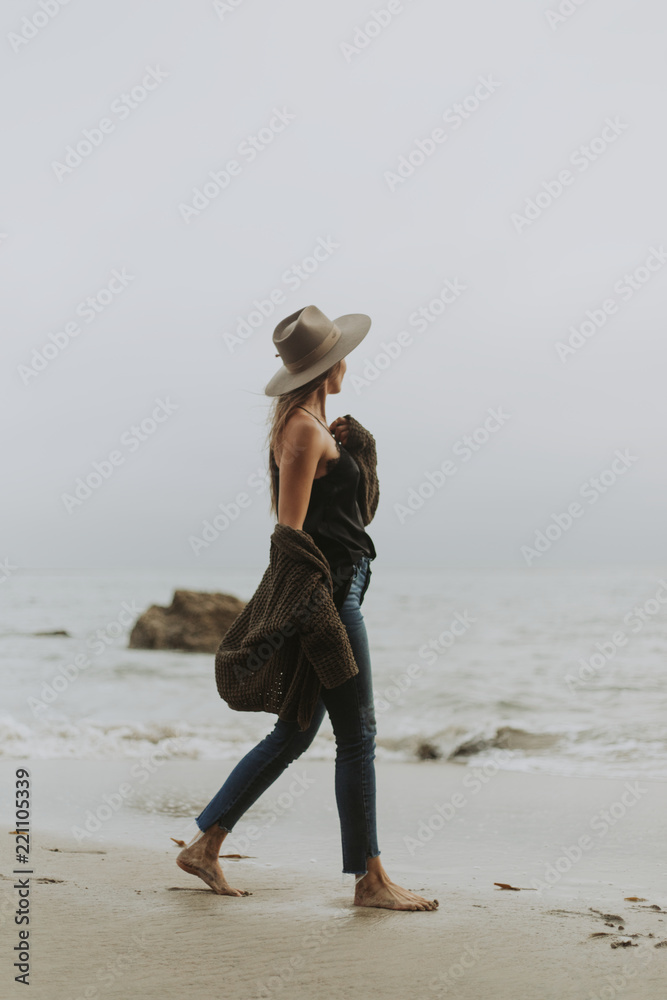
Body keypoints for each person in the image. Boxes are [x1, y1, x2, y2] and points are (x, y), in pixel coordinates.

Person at [176, 305, 438, 911]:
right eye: (341, 353)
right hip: (327, 600)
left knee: (295, 733)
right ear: (325, 366)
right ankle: (370, 880)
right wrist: (317, 616)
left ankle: (205, 845)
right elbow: (288, 536)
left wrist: (362, 449)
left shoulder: (318, 427)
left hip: (338, 591)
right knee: (358, 735)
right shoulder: (300, 430)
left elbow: (357, 516)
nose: (347, 360)